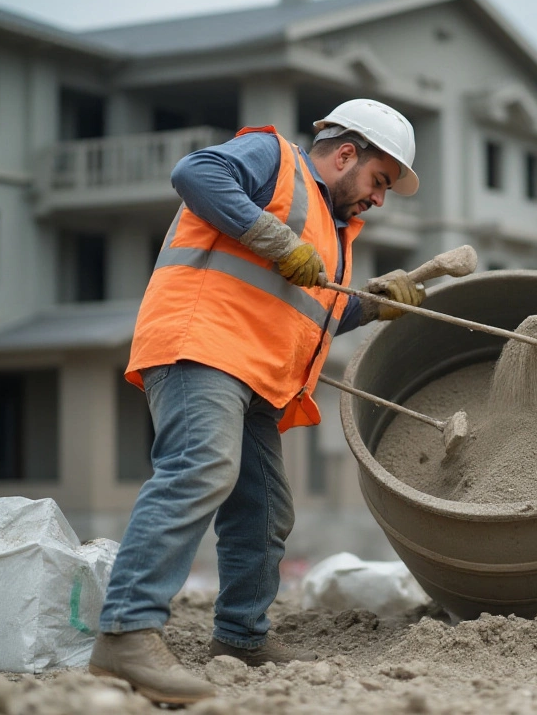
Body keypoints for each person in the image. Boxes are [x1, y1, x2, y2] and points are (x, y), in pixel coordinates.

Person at [88, 99, 426, 705]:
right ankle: (126, 633)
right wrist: (274, 237)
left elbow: (316, 309)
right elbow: (195, 174)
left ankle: (241, 637)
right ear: (346, 153)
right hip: (201, 346)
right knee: (201, 468)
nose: (379, 199)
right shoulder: (275, 159)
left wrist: (373, 302)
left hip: (254, 375)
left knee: (264, 508)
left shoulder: (335, 229)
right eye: (379, 181)